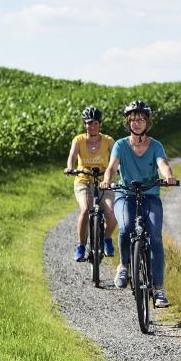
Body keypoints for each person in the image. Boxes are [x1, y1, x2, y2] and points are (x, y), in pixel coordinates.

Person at [101, 100, 178, 309]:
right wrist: (107, 179)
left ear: (147, 123)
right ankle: (124, 265)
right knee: (125, 227)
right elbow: (112, 166)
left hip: (150, 195)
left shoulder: (155, 145)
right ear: (128, 122)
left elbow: (163, 164)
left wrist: (169, 176)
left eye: (141, 119)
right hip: (125, 195)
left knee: (155, 237)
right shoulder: (120, 145)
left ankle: (159, 289)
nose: (137, 123)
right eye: (133, 120)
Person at [64, 106, 117, 262]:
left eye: (95, 123)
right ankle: (81, 246)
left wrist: (118, 169)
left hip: (103, 181)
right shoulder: (78, 140)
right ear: (84, 124)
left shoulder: (108, 140)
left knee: (111, 213)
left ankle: (107, 239)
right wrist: (70, 167)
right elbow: (72, 156)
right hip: (83, 181)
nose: (92, 126)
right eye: (88, 123)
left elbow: (116, 158)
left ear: (99, 124)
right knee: (85, 209)